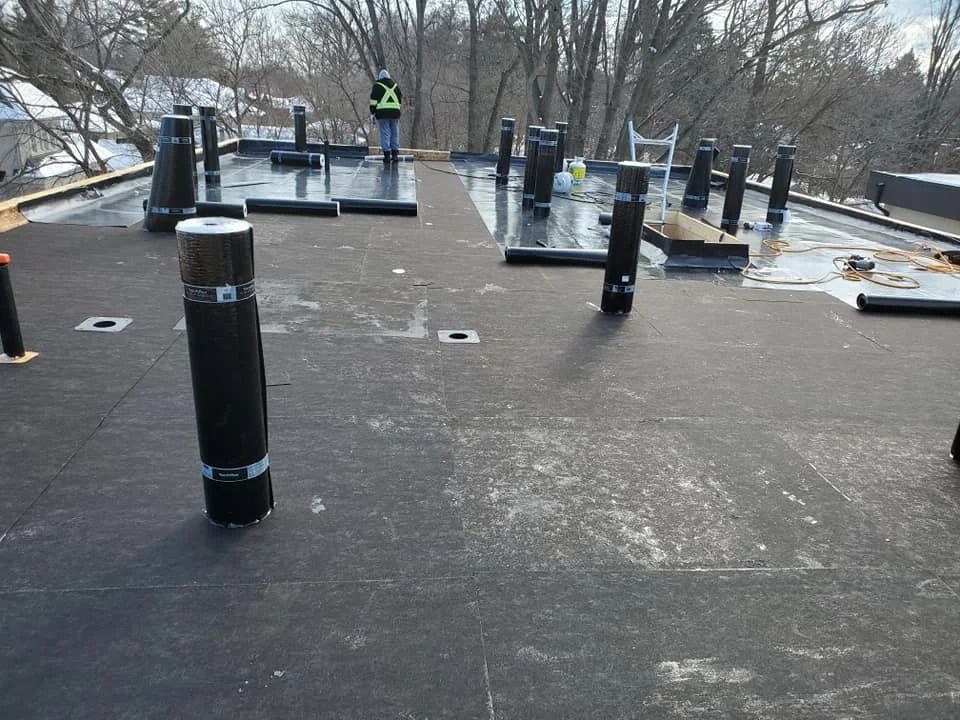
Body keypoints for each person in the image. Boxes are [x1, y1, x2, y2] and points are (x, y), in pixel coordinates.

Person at [369, 69, 402, 163]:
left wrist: (373, 112)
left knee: (385, 133)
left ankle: (387, 155)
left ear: (380, 77)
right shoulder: (396, 86)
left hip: (382, 114)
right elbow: (399, 101)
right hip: (395, 113)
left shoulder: (377, 86)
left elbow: (373, 102)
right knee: (395, 133)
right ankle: (395, 155)